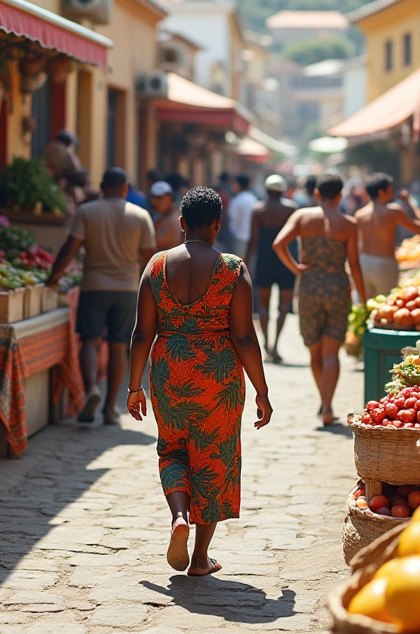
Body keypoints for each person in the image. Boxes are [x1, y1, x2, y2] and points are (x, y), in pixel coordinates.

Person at [127, 187, 272, 576]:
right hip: (218, 376)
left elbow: (142, 333)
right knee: (213, 460)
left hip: (169, 371)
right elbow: (244, 336)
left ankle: (178, 516)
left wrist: (133, 386)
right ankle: (200, 557)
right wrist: (262, 389)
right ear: (217, 225)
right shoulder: (232, 268)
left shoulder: (156, 266)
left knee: (172, 450)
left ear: (180, 223)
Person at [46, 168, 157, 424]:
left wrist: (53, 277)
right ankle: (109, 409)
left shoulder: (87, 211)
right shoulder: (140, 216)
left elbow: (70, 248)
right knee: (119, 347)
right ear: (125, 188)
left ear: (101, 187)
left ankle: (91, 391)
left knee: (90, 342)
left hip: (93, 285)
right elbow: (151, 258)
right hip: (127, 289)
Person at [272, 173, 366, 426]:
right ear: (339, 196)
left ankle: (323, 401)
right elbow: (354, 264)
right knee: (331, 351)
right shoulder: (348, 224)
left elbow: (278, 244)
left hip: (309, 286)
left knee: (314, 350)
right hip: (337, 285)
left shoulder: (302, 217)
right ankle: (327, 405)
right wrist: (364, 298)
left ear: (316, 194)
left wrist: (296, 268)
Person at [246, 174, 298, 363]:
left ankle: (266, 343)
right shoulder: (290, 208)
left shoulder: (258, 209)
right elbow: (295, 236)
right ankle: (275, 344)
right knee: (284, 305)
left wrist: (246, 261)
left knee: (263, 304)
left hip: (265, 260)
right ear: (283, 190)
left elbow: (253, 239)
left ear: (267, 190)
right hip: (285, 259)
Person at [354, 173, 420, 300]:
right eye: (390, 189)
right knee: (386, 307)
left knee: (364, 307)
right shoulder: (393, 210)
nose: (393, 192)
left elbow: (358, 244)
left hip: (364, 263)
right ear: (381, 192)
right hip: (384, 265)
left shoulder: (360, 214)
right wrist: (411, 203)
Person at [225, 174, 256, 257]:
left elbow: (232, 219)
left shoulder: (236, 200)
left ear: (237, 185)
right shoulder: (253, 199)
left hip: (238, 237)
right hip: (251, 237)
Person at [150, 181, 182, 251]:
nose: (154, 202)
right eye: (153, 198)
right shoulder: (158, 216)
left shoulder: (175, 219)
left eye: (159, 198)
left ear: (169, 198)